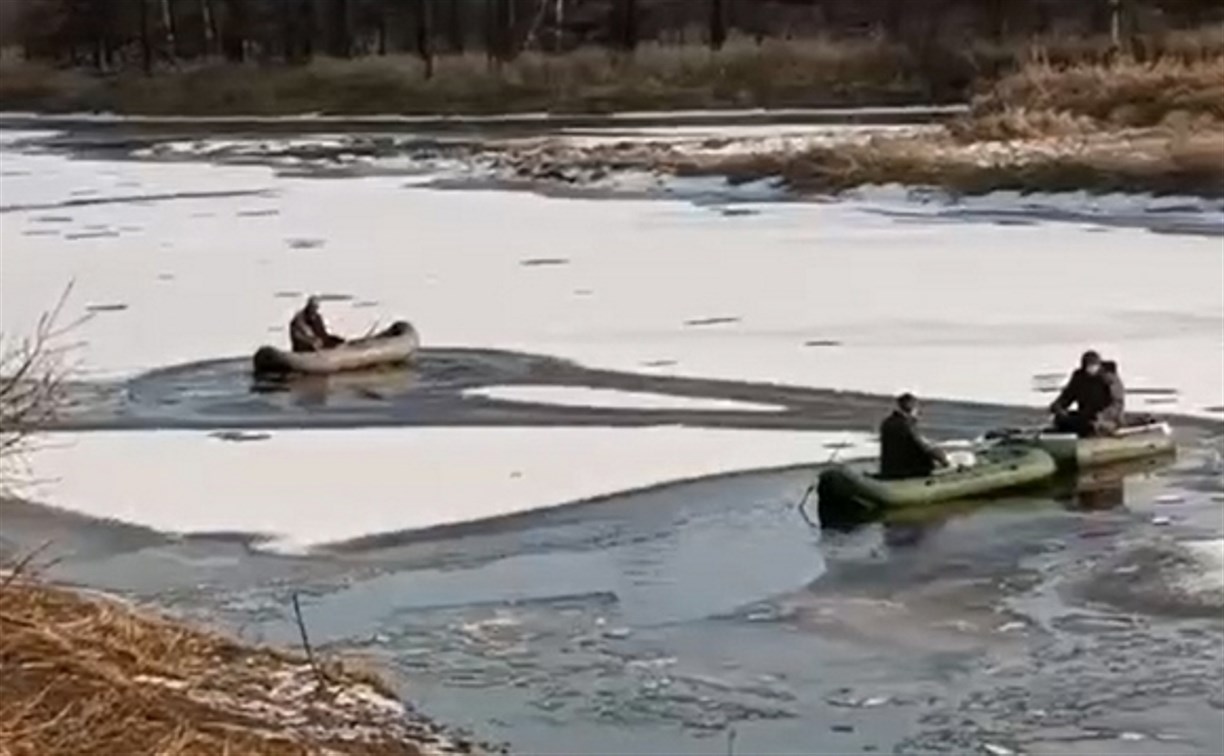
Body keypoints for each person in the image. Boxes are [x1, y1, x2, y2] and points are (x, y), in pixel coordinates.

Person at [1049, 350, 1124, 437]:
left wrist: (1102, 416)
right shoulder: (1079, 379)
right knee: (1062, 421)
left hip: (1108, 419)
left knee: (1093, 426)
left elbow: (1117, 404)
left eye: (1094, 365)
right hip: (1085, 416)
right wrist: (1058, 407)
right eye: (1089, 366)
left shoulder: (1109, 379)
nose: (1092, 368)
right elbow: (1067, 396)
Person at [879, 393, 950, 480]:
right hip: (908, 473)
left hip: (888, 470)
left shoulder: (887, 423)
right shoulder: (907, 426)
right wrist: (943, 458)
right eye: (917, 410)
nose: (919, 414)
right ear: (912, 409)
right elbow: (923, 447)